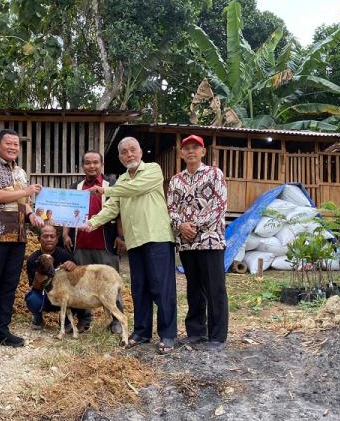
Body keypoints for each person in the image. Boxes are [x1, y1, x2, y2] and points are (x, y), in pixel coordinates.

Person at [82, 137, 176, 353]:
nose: (129, 154)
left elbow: (135, 189)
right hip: (135, 242)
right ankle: (141, 332)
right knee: (140, 288)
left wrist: (104, 190)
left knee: (162, 288)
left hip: (157, 238)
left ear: (141, 151)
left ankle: (168, 335)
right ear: (120, 157)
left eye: (133, 150)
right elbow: (112, 208)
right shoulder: (122, 180)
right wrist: (91, 223)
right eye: (124, 152)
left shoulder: (153, 170)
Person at [0, 128, 44, 354]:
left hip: (18, 236)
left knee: (9, 285)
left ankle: (1, 329)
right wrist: (25, 191)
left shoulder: (21, 172)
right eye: (9, 143)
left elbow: (23, 202)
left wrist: (32, 215)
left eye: (16, 144)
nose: (13, 147)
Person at [167, 134, 228, 351]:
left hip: (210, 239)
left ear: (203, 151)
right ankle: (196, 332)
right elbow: (171, 208)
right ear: (181, 154)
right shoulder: (176, 180)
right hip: (186, 242)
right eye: (187, 148)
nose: (191, 151)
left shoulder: (214, 174)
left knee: (215, 288)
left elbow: (219, 205)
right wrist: (182, 226)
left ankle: (217, 336)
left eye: (196, 147)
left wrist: (194, 225)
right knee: (194, 288)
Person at [62, 150, 126, 334]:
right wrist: (66, 234)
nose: (92, 166)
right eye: (88, 163)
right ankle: (84, 319)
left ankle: (116, 320)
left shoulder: (111, 185)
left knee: (111, 282)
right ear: (83, 166)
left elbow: (119, 212)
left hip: (105, 243)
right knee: (80, 284)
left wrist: (120, 236)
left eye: (95, 163)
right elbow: (68, 212)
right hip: (80, 243)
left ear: (101, 164)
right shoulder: (76, 186)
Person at [25, 225, 83, 330]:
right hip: (44, 296)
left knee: (78, 293)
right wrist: (40, 275)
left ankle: (66, 320)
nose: (49, 239)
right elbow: (35, 288)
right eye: (45, 236)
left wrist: (74, 267)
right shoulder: (33, 259)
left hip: (63, 295)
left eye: (52, 236)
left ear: (57, 239)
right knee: (32, 298)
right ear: (39, 239)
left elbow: (77, 281)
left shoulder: (65, 255)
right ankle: (37, 318)